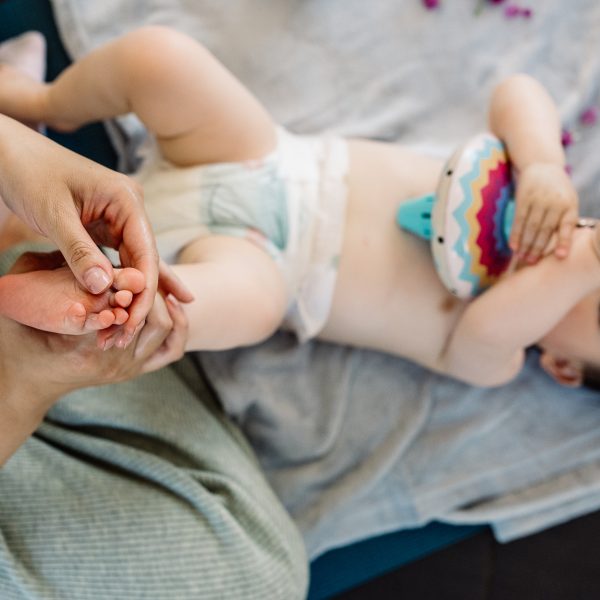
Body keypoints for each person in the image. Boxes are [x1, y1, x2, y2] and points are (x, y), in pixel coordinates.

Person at [0, 25, 595, 388]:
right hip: (264, 158)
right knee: (161, 60)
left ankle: (98, 298)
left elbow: (488, 330)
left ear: (563, 367)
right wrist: (544, 163)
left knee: (232, 311)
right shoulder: (536, 183)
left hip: (266, 265)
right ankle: (44, 102)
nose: (581, 266)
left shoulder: (498, 361)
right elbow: (518, 92)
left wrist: (584, 260)